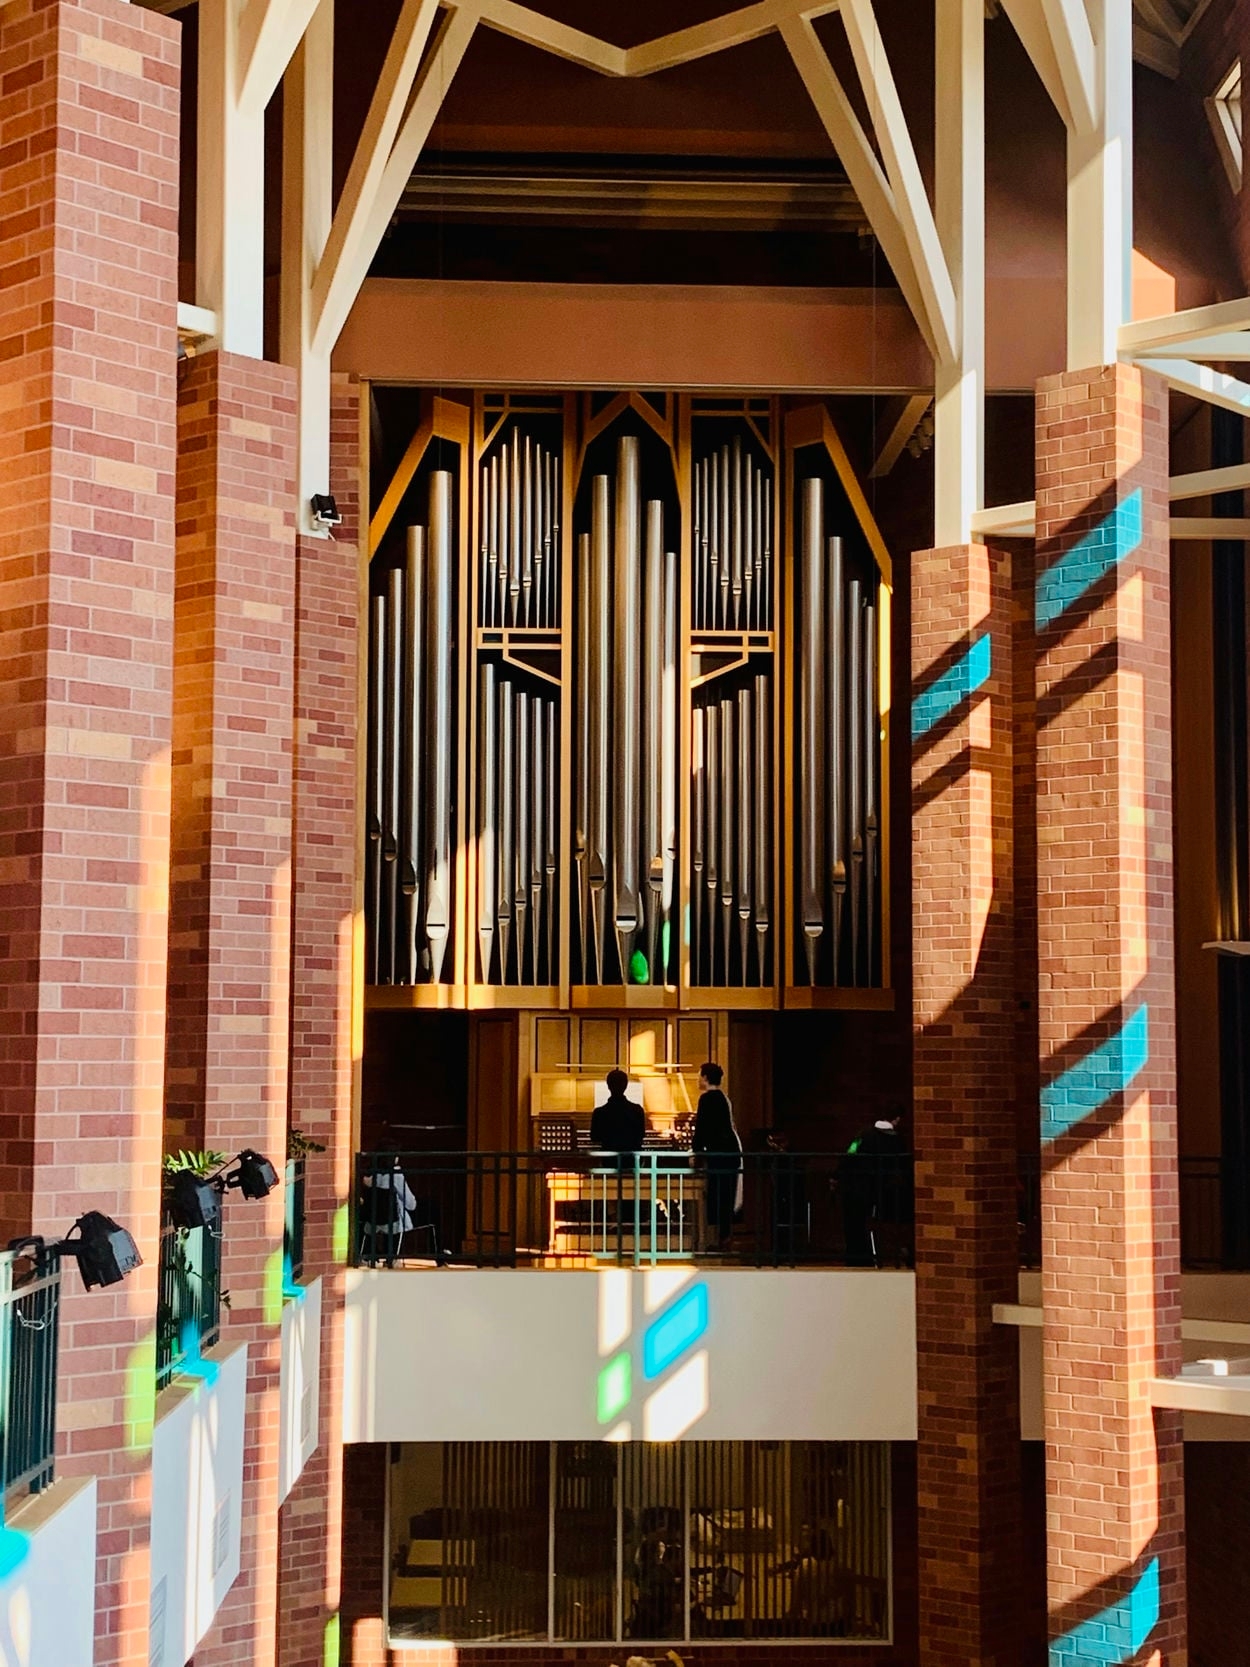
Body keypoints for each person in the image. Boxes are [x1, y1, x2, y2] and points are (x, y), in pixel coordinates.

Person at [838, 1108, 907, 1268]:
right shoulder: (898, 1141)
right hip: (886, 1190)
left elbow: (850, 1154)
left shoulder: (862, 1135)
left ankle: (856, 1257)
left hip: (857, 1187)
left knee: (855, 1223)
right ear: (896, 1119)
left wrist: (837, 1175)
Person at [692, 1062, 743, 1248]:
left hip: (720, 1153)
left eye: (699, 1075)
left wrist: (696, 1152)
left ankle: (716, 1239)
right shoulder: (723, 1097)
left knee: (718, 1194)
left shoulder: (707, 1099)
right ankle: (723, 1236)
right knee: (726, 1194)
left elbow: (702, 1129)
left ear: (705, 1078)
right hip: (731, 1151)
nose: (698, 1079)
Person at [590, 1067, 646, 1153]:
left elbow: (594, 1137)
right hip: (630, 1159)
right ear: (626, 1085)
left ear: (608, 1086)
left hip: (609, 1159)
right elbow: (641, 1135)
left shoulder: (599, 1113)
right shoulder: (637, 1110)